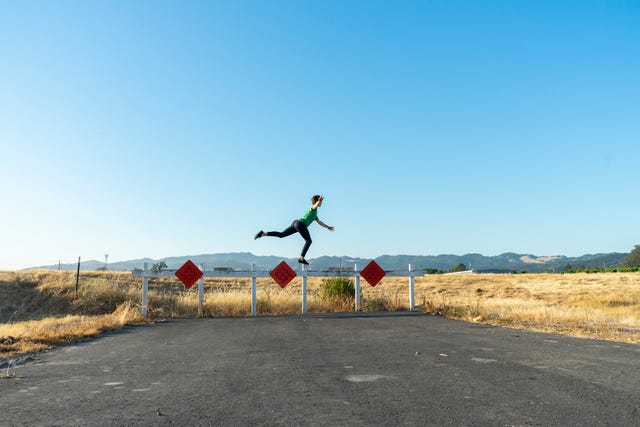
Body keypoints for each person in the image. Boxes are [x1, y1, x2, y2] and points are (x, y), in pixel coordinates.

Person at [254, 195, 334, 265]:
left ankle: (263, 234)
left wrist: (328, 227)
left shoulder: (315, 214)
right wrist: (318, 201)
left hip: (296, 223)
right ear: (317, 201)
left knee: (282, 235)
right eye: (320, 202)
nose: (321, 203)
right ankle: (301, 258)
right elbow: (314, 206)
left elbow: (320, 222)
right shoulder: (312, 208)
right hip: (301, 224)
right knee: (308, 241)